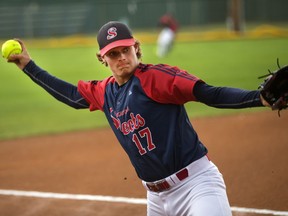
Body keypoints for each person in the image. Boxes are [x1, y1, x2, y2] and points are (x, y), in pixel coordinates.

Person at [7, 21, 269, 216]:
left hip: (196, 187)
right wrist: (28, 65)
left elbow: (209, 93)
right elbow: (72, 96)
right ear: (103, 58)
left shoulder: (156, 78)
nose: (121, 57)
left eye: (125, 50)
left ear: (136, 48)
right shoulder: (105, 91)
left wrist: (258, 98)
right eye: (113, 53)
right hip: (156, 199)